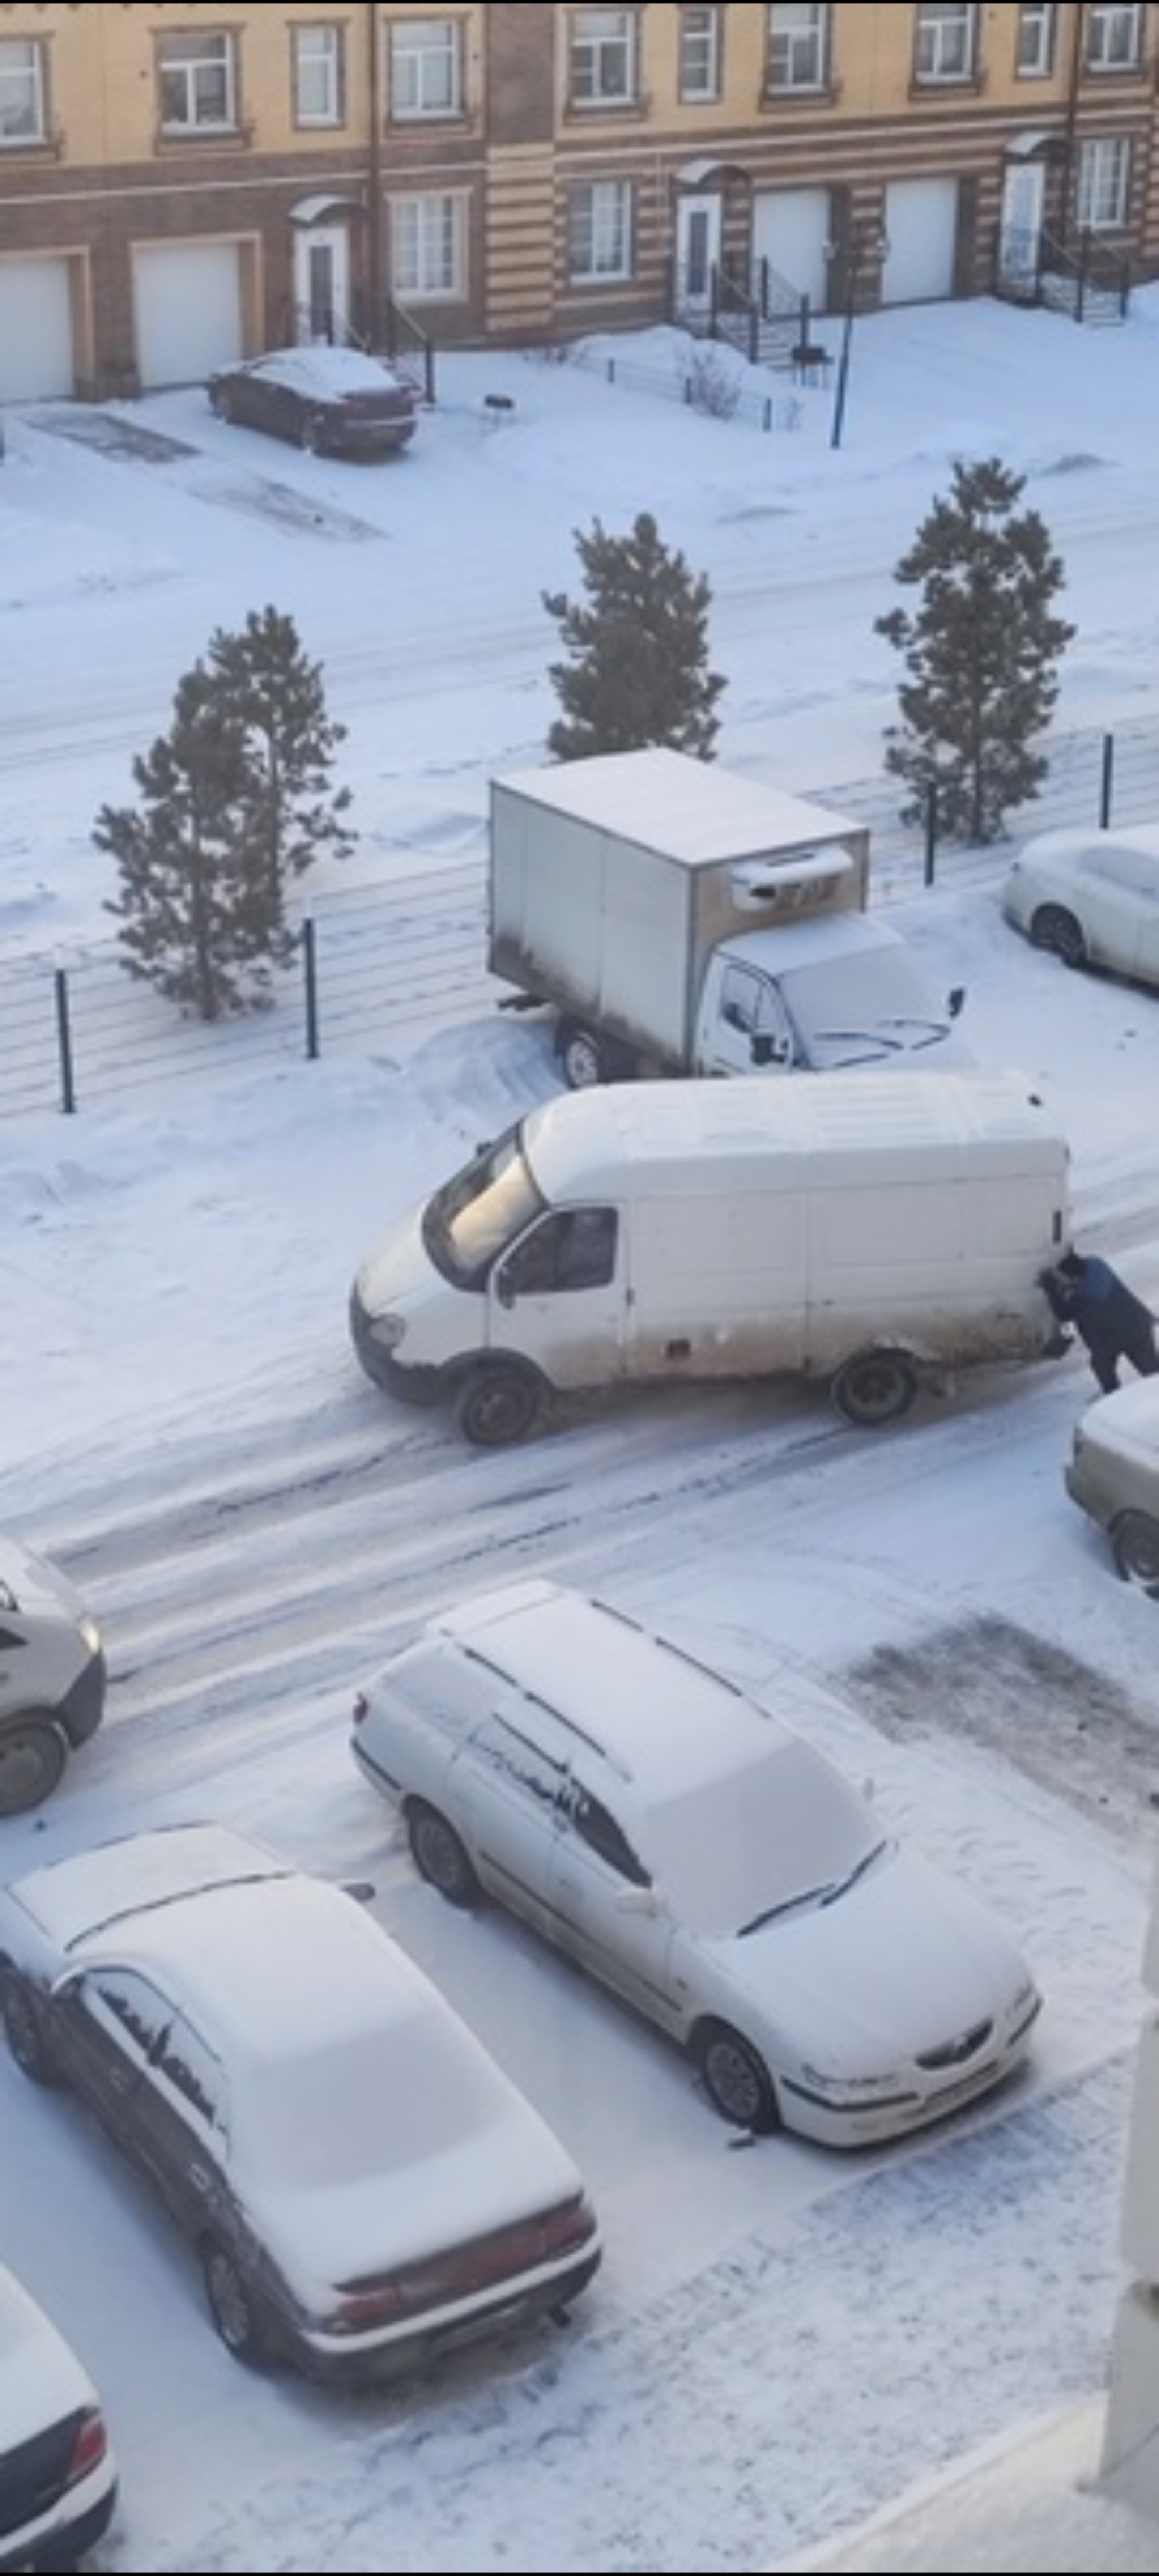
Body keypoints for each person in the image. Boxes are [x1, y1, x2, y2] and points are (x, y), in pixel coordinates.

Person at [1039, 1250, 1159, 1395]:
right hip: (1137, 1325)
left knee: (1103, 1369)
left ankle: (1114, 1401)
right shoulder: (1098, 1267)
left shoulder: (1084, 1296)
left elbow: (1065, 1315)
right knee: (1151, 1370)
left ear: (1073, 1277)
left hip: (1109, 1338)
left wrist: (1051, 1291)